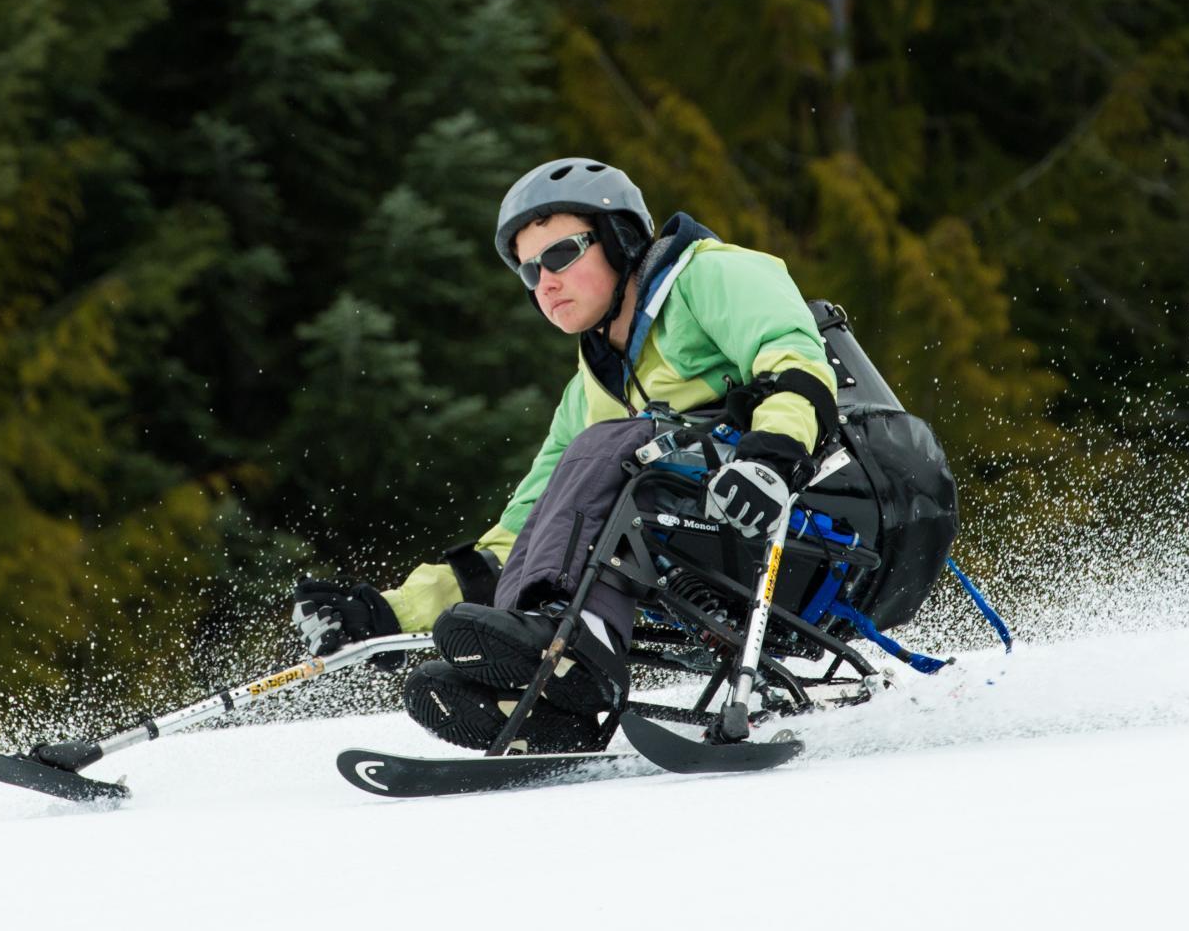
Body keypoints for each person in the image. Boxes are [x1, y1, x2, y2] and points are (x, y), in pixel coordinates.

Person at [290, 157, 839, 753]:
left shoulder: (708, 277)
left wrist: (774, 455)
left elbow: (794, 359)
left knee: (616, 444)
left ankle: (572, 645)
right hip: (701, 547)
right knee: (447, 673)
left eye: (560, 255)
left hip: (810, 516)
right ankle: (552, 710)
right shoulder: (591, 390)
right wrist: (389, 614)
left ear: (620, 240)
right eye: (529, 271)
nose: (545, 282)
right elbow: (527, 525)